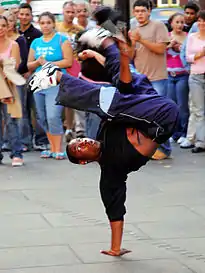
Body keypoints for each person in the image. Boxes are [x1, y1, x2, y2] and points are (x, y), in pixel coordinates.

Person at [28, 28, 179, 255]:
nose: (85, 142)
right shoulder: (111, 170)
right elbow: (115, 208)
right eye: (80, 148)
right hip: (162, 119)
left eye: (81, 140)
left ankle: (107, 43)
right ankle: (58, 75)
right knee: (110, 103)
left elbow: (123, 86)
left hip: (148, 101)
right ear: (83, 162)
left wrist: (115, 56)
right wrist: (115, 248)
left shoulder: (105, 130)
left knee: (122, 88)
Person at [27, 11, 73, 159]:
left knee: (53, 115)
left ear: (53, 23)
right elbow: (29, 65)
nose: (45, 26)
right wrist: (37, 62)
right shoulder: (36, 42)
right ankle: (51, 147)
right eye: (42, 23)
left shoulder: (62, 40)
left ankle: (59, 148)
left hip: (56, 81)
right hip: (39, 82)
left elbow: (68, 61)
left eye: (48, 22)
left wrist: (48, 63)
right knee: (42, 117)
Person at [130, 0, 171, 160]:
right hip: (140, 78)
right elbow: (132, 56)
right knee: (142, 116)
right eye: (137, 11)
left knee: (159, 115)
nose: (139, 14)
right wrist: (133, 43)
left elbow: (161, 49)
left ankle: (165, 149)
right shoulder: (134, 28)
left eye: (142, 11)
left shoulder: (158, 25)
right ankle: (148, 148)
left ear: (149, 11)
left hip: (157, 77)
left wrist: (141, 40)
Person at [18, 3, 49, 151]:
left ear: (31, 16)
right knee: (22, 110)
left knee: (37, 109)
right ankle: (25, 141)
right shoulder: (15, 32)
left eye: (27, 14)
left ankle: (41, 139)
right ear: (18, 15)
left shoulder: (37, 35)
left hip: (34, 75)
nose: (24, 17)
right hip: (18, 76)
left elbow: (37, 56)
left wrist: (29, 72)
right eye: (21, 14)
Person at [56, 1, 84, 142]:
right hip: (58, 66)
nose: (70, 15)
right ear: (63, 12)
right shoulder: (56, 27)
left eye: (73, 12)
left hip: (74, 68)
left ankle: (69, 128)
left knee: (70, 101)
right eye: (68, 12)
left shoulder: (79, 29)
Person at [0, 15, 24, 166]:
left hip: (8, 86)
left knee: (11, 120)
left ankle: (17, 153)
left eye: (3, 25)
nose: (0, 29)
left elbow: (14, 67)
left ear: (8, 26)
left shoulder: (13, 45)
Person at [166, 13, 189, 144]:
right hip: (168, 75)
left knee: (182, 106)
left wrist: (181, 48)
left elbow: (189, 54)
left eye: (182, 22)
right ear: (171, 23)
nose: (180, 25)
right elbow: (159, 52)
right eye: (177, 22)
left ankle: (183, 132)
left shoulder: (187, 37)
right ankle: (172, 133)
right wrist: (169, 45)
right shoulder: (166, 37)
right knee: (171, 105)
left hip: (182, 75)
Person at [186, 10, 205, 153]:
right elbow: (188, 57)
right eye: (199, 20)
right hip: (196, 76)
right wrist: (200, 54)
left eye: (204, 21)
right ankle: (200, 142)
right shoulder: (192, 37)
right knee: (198, 110)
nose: (201, 23)